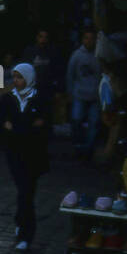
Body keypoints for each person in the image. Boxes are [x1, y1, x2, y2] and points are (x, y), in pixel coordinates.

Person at [0, 63, 49, 251]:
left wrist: (17, 127)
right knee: (23, 191)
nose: (16, 81)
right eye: (14, 77)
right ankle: (23, 227)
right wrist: (24, 127)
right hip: (14, 153)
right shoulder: (9, 99)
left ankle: (24, 228)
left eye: (20, 77)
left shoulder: (39, 99)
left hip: (34, 154)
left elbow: (43, 126)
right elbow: (1, 122)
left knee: (27, 192)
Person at [66, 26, 101, 159]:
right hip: (79, 94)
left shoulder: (99, 54)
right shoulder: (76, 55)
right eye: (87, 38)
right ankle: (78, 146)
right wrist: (70, 93)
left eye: (92, 38)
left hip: (95, 95)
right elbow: (70, 75)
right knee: (76, 120)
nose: (89, 41)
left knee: (94, 123)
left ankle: (88, 150)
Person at [20, 28, 58, 107]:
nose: (43, 39)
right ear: (37, 38)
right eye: (41, 37)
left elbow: (56, 70)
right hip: (33, 87)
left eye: (45, 37)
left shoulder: (52, 52)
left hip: (47, 88)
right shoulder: (29, 51)